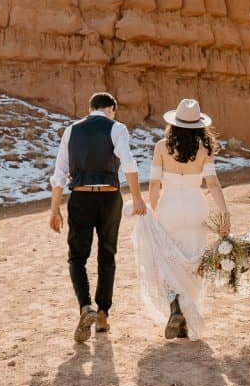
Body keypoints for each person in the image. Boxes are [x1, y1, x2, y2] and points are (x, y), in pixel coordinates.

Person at [50, 92, 147, 342]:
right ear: (111, 109)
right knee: (107, 254)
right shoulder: (116, 127)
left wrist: (54, 208)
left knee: (77, 257)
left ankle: (85, 307)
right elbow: (129, 164)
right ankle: (103, 314)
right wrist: (137, 197)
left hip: (81, 197)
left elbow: (60, 171)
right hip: (109, 197)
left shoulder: (72, 130)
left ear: (90, 108)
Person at [131, 99, 230, 340]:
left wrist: (153, 212)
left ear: (173, 124)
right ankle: (184, 319)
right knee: (192, 263)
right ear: (199, 126)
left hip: (169, 207)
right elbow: (213, 184)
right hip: (196, 207)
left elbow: (154, 184)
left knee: (167, 261)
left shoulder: (162, 147)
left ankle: (175, 307)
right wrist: (225, 213)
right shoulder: (204, 149)